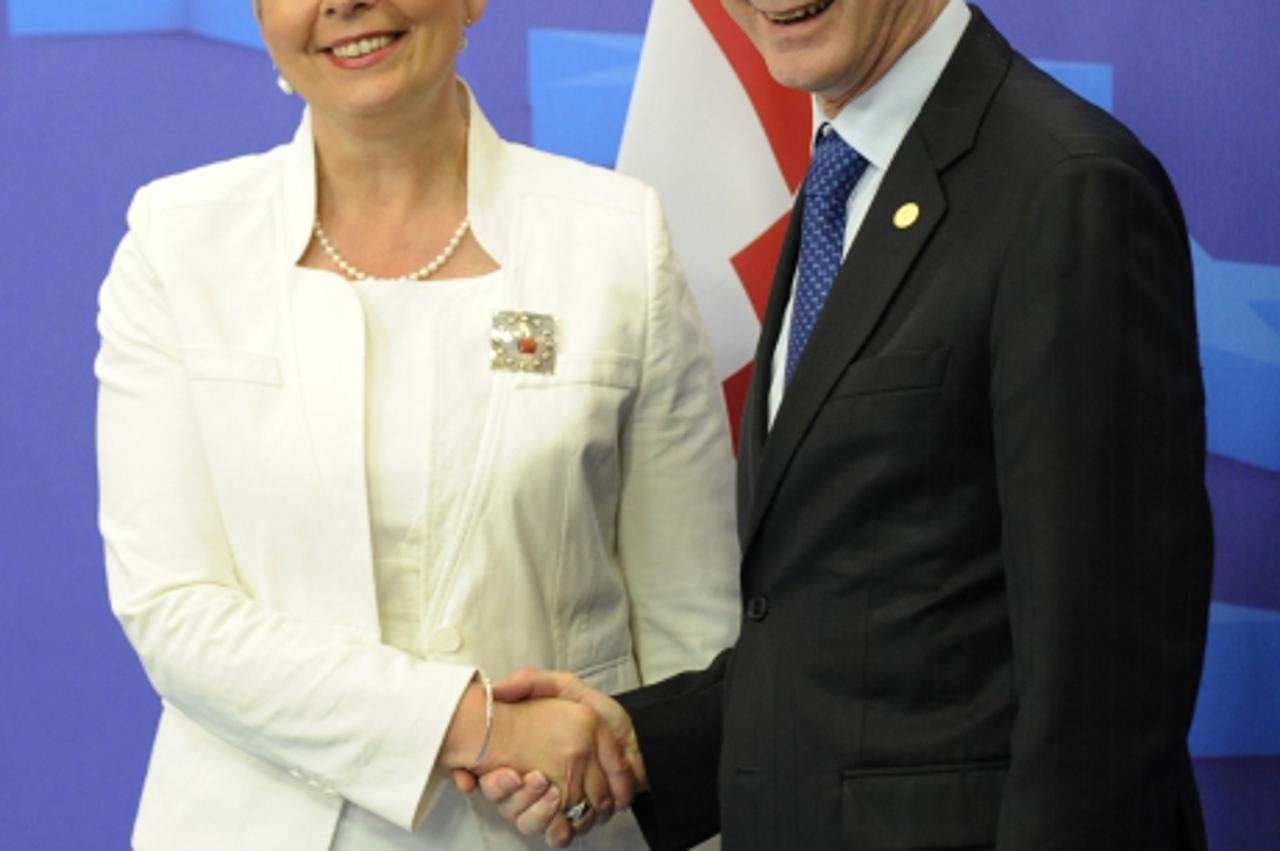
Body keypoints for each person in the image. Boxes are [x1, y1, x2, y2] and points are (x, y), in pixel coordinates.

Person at [464, 0, 1215, 848]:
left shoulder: (1068, 188)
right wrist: (639, 742)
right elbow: (861, 631)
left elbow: (1104, 699)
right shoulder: (846, 173)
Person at [93, 0, 741, 848]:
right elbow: (172, 607)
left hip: (557, 833)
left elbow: (693, 634)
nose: (343, 6)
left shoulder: (614, 240)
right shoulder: (177, 247)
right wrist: (481, 725)